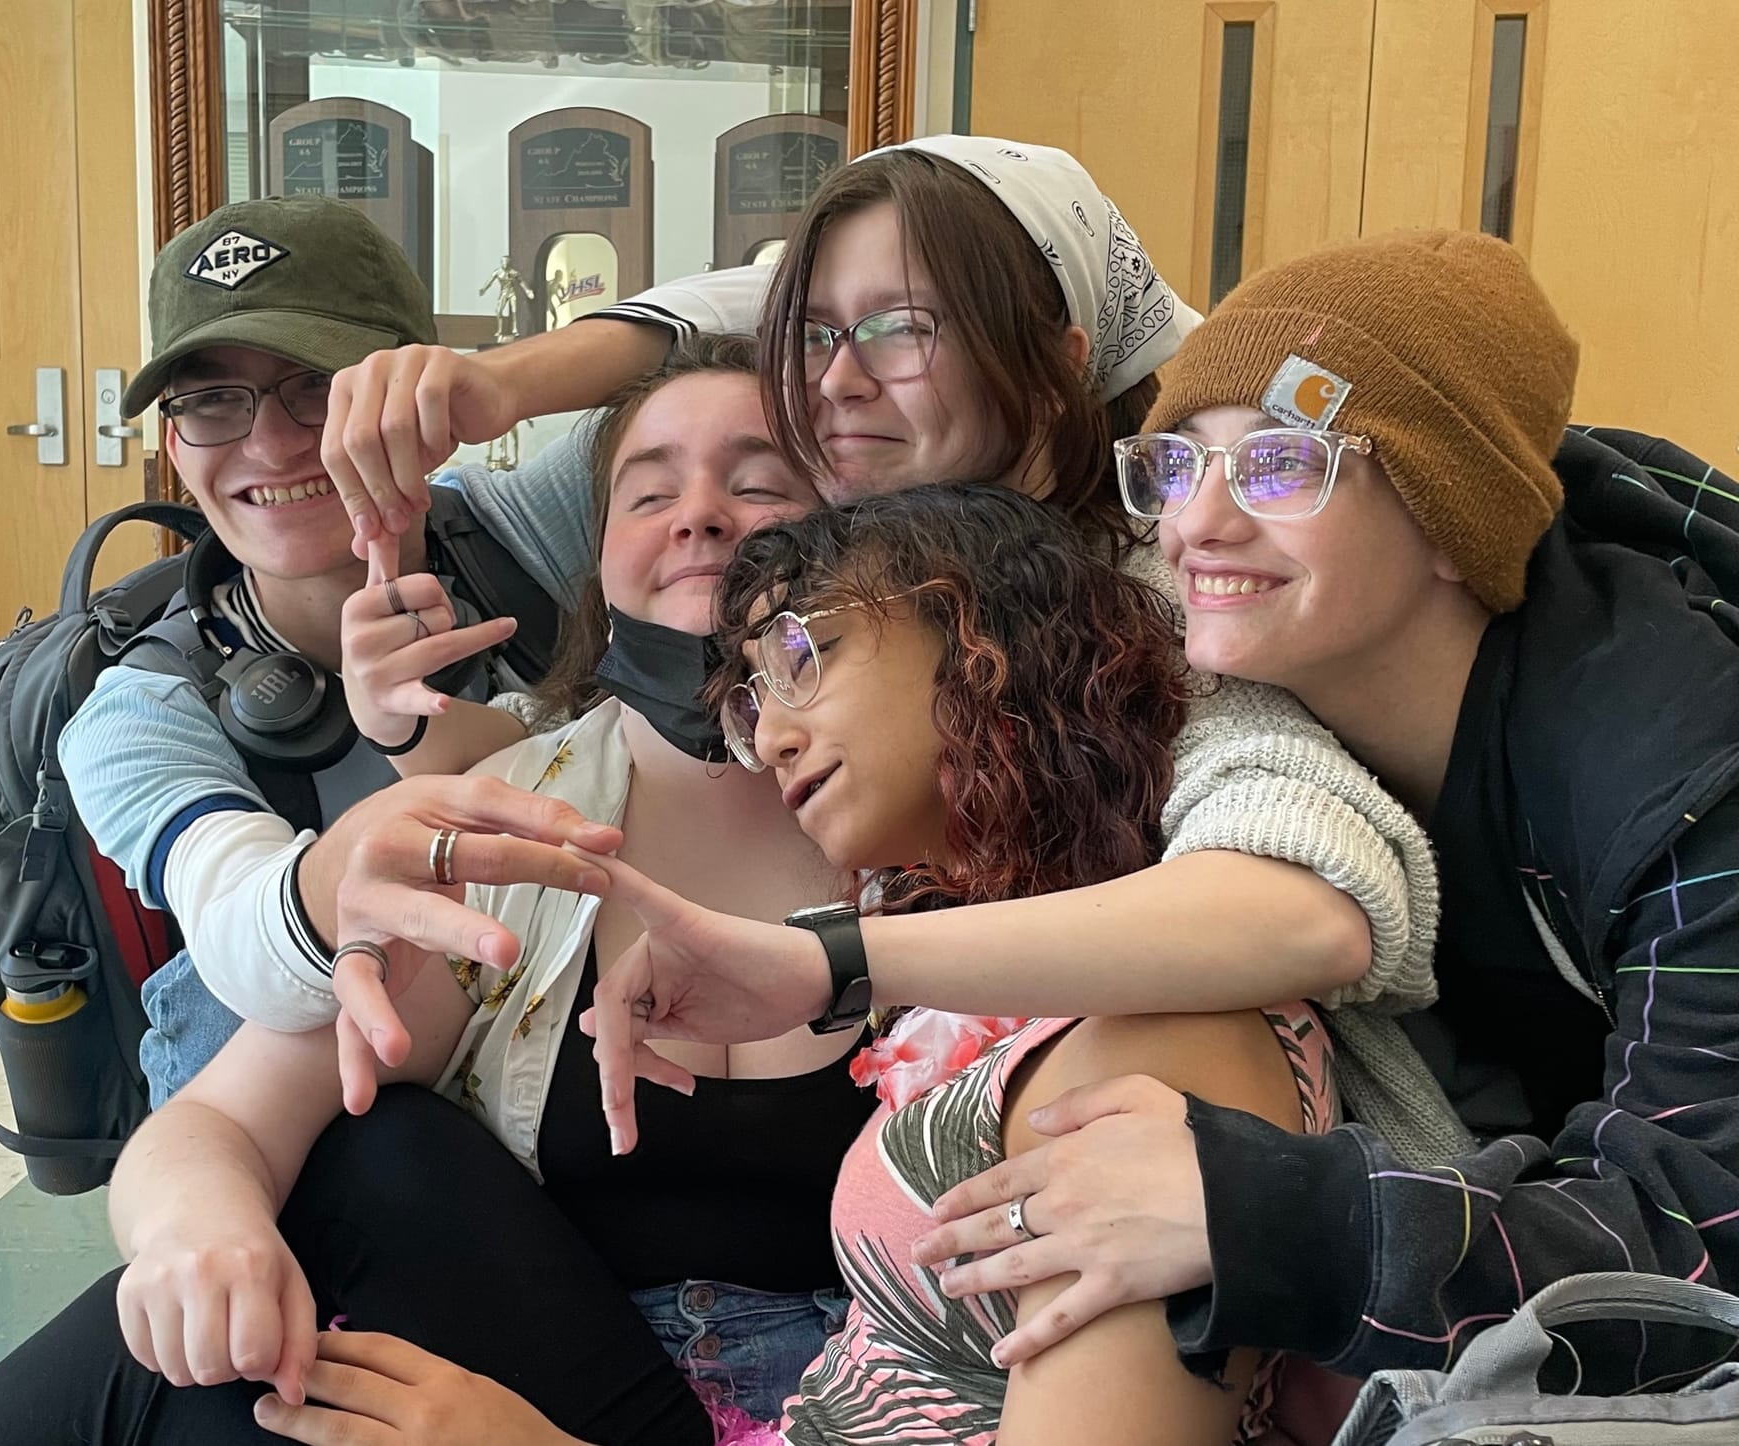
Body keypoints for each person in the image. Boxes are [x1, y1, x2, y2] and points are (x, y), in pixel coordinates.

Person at [326, 134, 1457, 1163]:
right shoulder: (832, 599)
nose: (836, 380)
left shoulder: (1157, 608)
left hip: (1205, 1185)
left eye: (903, 328)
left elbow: (1309, 903)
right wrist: (411, 739)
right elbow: (599, 746)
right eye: (815, 336)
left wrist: (830, 963)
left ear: (1056, 364)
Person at [0, 336, 870, 1446]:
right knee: (353, 1169)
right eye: (648, 494)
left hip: (852, 1415)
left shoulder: (965, 836)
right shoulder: (498, 825)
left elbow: (843, 286)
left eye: (759, 483)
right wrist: (200, 1237)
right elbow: (218, 1116)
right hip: (532, 1378)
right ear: (597, 562)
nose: (698, 515)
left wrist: (503, 382)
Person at [830, 231, 1739, 1393]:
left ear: (1449, 520)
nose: (1194, 526)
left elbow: (1697, 1251)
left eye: (1277, 466)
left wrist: (1253, 1214)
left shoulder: (1680, 776)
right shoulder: (1250, 702)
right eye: (1175, 466)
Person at [256, 484, 1344, 1446]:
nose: (770, 736)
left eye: (800, 656)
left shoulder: (1169, 1034)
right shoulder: (985, 980)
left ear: (983, 634)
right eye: (750, 699)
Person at [60, 195, 565, 1106]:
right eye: (212, 400)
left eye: (322, 388)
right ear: (174, 442)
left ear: (423, 396)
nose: (269, 445)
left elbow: (783, 331)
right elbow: (239, 927)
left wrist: (506, 382)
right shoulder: (139, 713)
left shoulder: (540, 532)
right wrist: (354, 874)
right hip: (339, 1123)